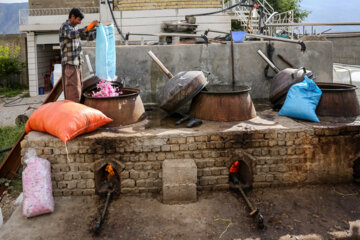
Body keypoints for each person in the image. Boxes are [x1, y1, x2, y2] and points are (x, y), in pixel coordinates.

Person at [59, 8, 99, 103]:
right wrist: (89, 27)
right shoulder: (65, 27)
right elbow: (72, 34)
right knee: (73, 94)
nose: (80, 22)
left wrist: (101, 30)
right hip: (70, 65)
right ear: (72, 16)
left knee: (78, 91)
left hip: (76, 64)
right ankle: (72, 116)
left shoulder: (75, 28)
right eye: (78, 20)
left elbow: (89, 37)